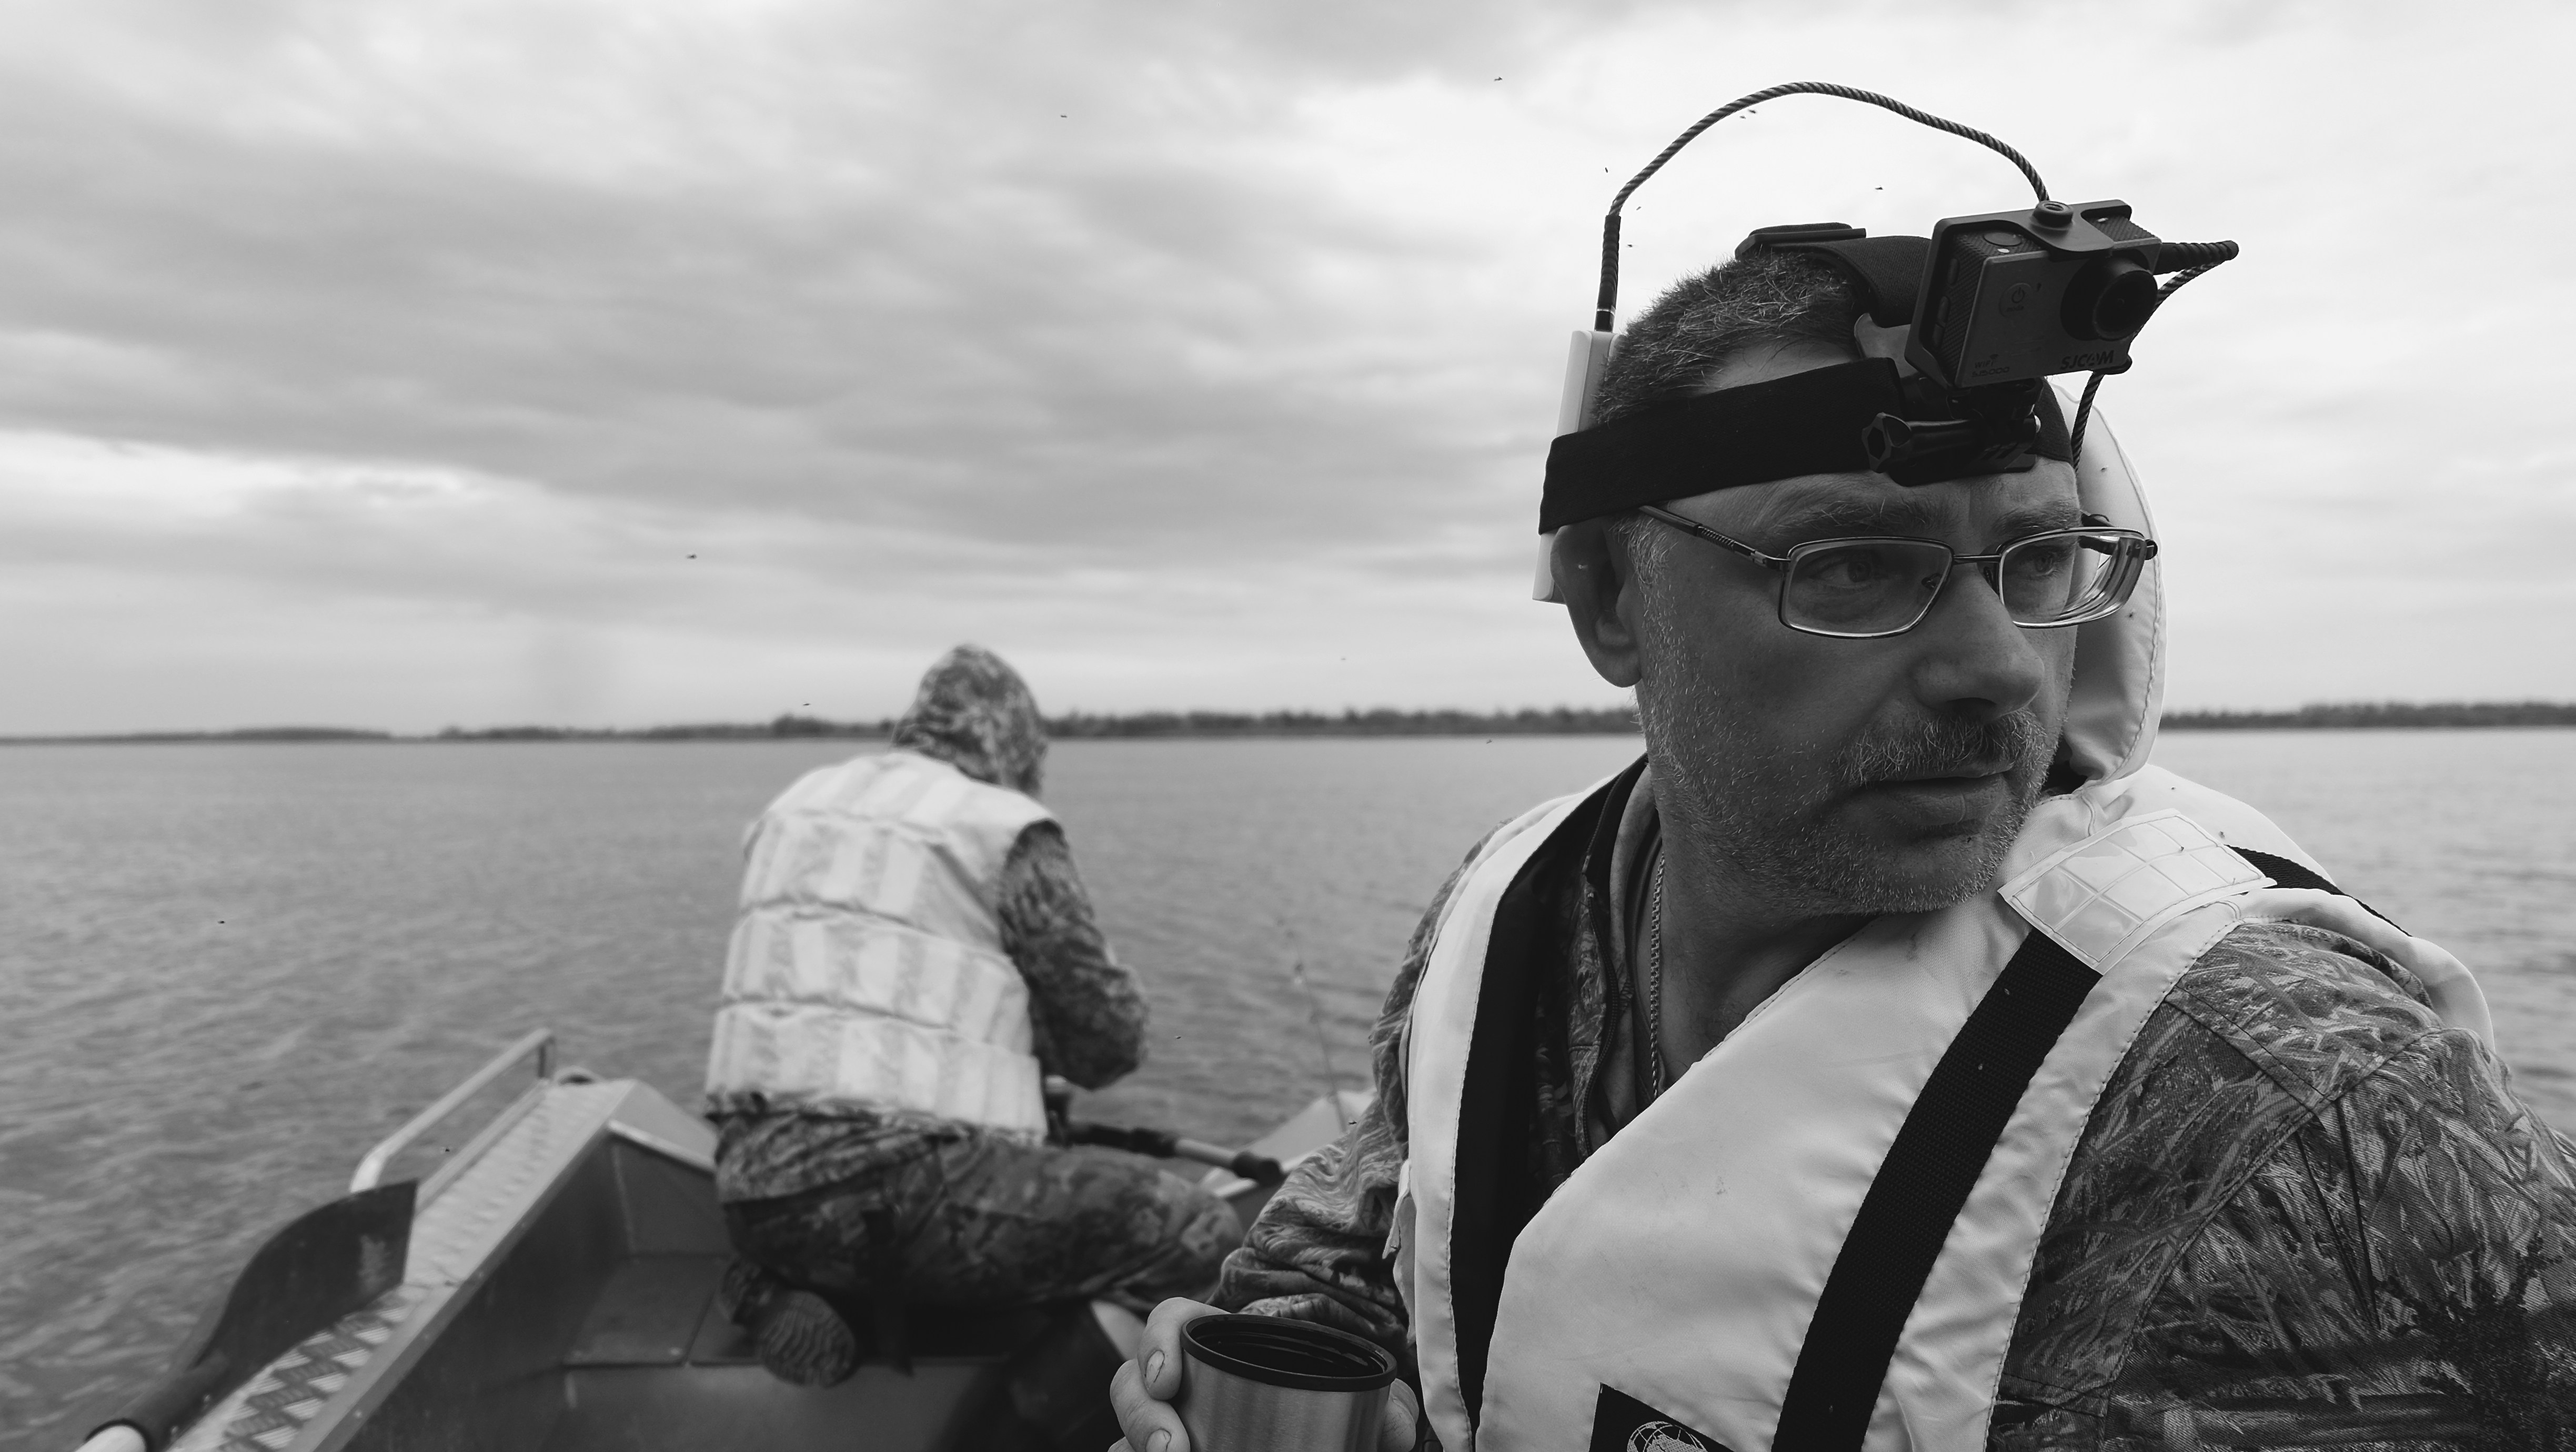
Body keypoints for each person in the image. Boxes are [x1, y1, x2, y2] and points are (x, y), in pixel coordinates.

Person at [1109, 246, 2576, 1450]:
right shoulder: (1509, 908)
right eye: (1856, 564)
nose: (2003, 670)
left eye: (2041, 562)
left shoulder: (2283, 1092)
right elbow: (1373, 1243)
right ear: (1614, 604)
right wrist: (1262, 1373)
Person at [704, 644, 1239, 1387]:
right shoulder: (997, 825)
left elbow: (850, 1013)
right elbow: (1108, 1043)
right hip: (899, 1197)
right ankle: (995, 1434)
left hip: (753, 1195)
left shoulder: (800, 806)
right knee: (1197, 1234)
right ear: (1018, 744)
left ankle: (770, 1289)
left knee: (893, 1220)